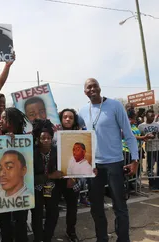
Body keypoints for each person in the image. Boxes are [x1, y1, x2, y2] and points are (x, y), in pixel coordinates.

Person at [78, 78, 138, 242]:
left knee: (120, 205)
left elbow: (128, 134)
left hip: (114, 163)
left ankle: (123, 239)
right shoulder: (82, 111)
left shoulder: (115, 106)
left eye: (95, 85)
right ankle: (102, 238)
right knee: (96, 207)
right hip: (94, 166)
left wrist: (135, 160)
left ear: (100, 87)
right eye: (89, 87)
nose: (92, 89)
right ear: (85, 92)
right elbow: (73, 133)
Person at [0, 107, 29, 242]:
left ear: (13, 121)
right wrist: (3, 140)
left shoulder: (26, 138)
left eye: (4, 118)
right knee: (4, 222)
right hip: (1, 192)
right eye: (0, 118)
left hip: (21, 193)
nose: (0, 121)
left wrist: (17, 142)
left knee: (21, 221)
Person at [31, 119, 64, 242]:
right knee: (37, 214)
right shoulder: (32, 152)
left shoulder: (57, 151)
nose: (46, 141)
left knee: (53, 213)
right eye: (43, 138)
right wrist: (49, 176)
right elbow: (30, 175)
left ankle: (47, 237)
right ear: (38, 139)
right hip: (36, 187)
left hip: (52, 188)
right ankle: (38, 238)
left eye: (48, 138)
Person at [138, 109, 159, 191]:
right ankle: (152, 184)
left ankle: (157, 184)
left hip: (158, 148)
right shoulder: (141, 126)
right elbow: (139, 137)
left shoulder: (157, 125)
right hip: (149, 149)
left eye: (153, 116)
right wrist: (146, 137)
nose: (153, 117)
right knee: (150, 168)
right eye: (151, 116)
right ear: (146, 116)